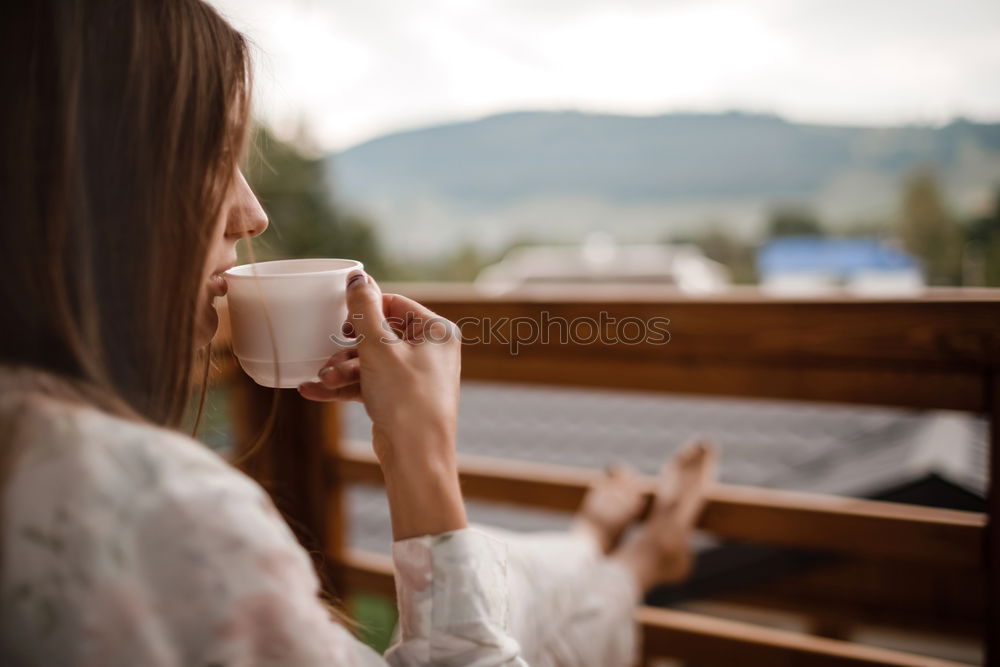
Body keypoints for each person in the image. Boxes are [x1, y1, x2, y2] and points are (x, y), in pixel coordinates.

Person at [0, 1, 716, 665]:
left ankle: (601, 543)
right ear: (93, 190)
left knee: (504, 568)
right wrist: (423, 453)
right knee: (508, 589)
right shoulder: (167, 513)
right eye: (212, 158)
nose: (252, 215)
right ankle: (639, 558)